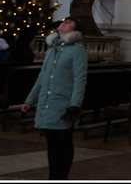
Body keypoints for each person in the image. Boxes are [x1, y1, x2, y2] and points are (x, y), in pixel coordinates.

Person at [21, 17, 88, 180]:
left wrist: (75, 105)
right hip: (47, 101)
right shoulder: (53, 49)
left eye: (68, 22)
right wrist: (30, 99)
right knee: (51, 143)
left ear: (75, 31)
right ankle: (53, 176)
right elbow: (42, 76)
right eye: (63, 22)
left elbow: (80, 79)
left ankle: (61, 177)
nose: (63, 23)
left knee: (63, 141)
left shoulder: (78, 50)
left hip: (63, 102)